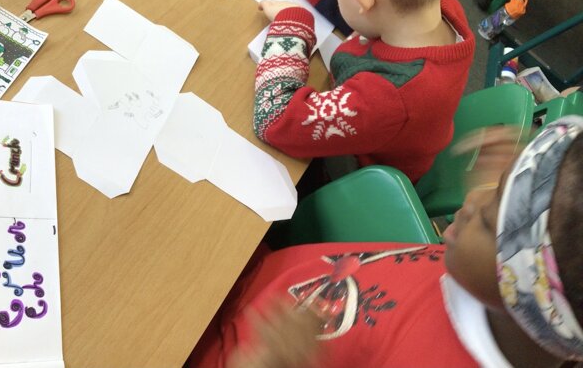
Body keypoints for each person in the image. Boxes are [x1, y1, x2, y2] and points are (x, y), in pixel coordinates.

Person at [188, 117, 583, 367]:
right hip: (242, 276)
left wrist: (270, 363)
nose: (471, 202)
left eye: (487, 216)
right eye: (495, 191)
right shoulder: (495, 286)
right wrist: (505, 200)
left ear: (531, 296)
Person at [252, 0, 475, 184]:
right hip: (388, 132)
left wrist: (293, 24)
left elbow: (274, 119)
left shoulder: (386, 98)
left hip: (353, 173)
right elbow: (376, 17)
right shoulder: (430, 0)